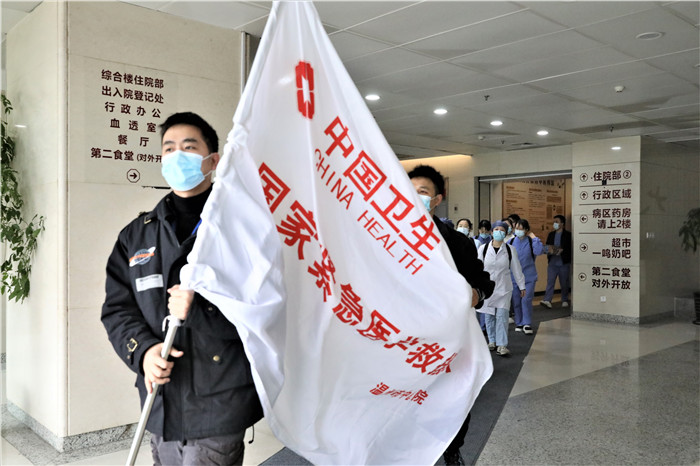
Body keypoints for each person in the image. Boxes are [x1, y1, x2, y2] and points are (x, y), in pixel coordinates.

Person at [101, 112, 262, 465]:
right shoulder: (137, 235)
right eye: (169, 149)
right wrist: (144, 352)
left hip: (219, 399)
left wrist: (202, 306)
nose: (177, 156)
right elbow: (118, 309)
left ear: (213, 160)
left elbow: (263, 308)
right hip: (161, 399)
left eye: (189, 148)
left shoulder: (241, 228)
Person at [408, 165, 494, 466]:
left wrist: (476, 294)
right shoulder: (384, 238)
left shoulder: (457, 243)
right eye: (409, 191)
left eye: (422, 192)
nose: (414, 197)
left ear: (437, 199)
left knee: (453, 397)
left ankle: (452, 449)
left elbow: (483, 282)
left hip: (449, 341)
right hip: (405, 340)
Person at [477, 221, 526, 356]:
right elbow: (478, 268)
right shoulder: (483, 249)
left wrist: (522, 286)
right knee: (489, 315)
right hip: (487, 287)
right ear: (492, 232)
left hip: (504, 288)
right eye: (496, 229)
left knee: (502, 316)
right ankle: (492, 341)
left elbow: (517, 269)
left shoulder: (510, 250)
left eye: (502, 230)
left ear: (505, 233)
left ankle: (502, 345)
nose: (499, 232)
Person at [508, 218, 545, 335]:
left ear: (526, 230)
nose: (518, 230)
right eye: (516, 228)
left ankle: (527, 323)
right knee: (516, 301)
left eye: (521, 228)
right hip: (514, 277)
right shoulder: (511, 242)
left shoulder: (530, 241)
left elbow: (539, 251)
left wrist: (534, 238)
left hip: (528, 277)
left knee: (526, 300)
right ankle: (519, 322)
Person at [541, 214, 572, 308]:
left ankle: (564, 299)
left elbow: (569, 248)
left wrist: (562, 251)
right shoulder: (551, 234)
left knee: (564, 282)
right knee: (550, 282)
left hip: (563, 262)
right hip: (552, 262)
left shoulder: (568, 235)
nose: (554, 223)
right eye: (554, 222)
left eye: (557, 222)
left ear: (562, 224)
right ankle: (547, 300)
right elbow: (547, 246)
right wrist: (548, 250)